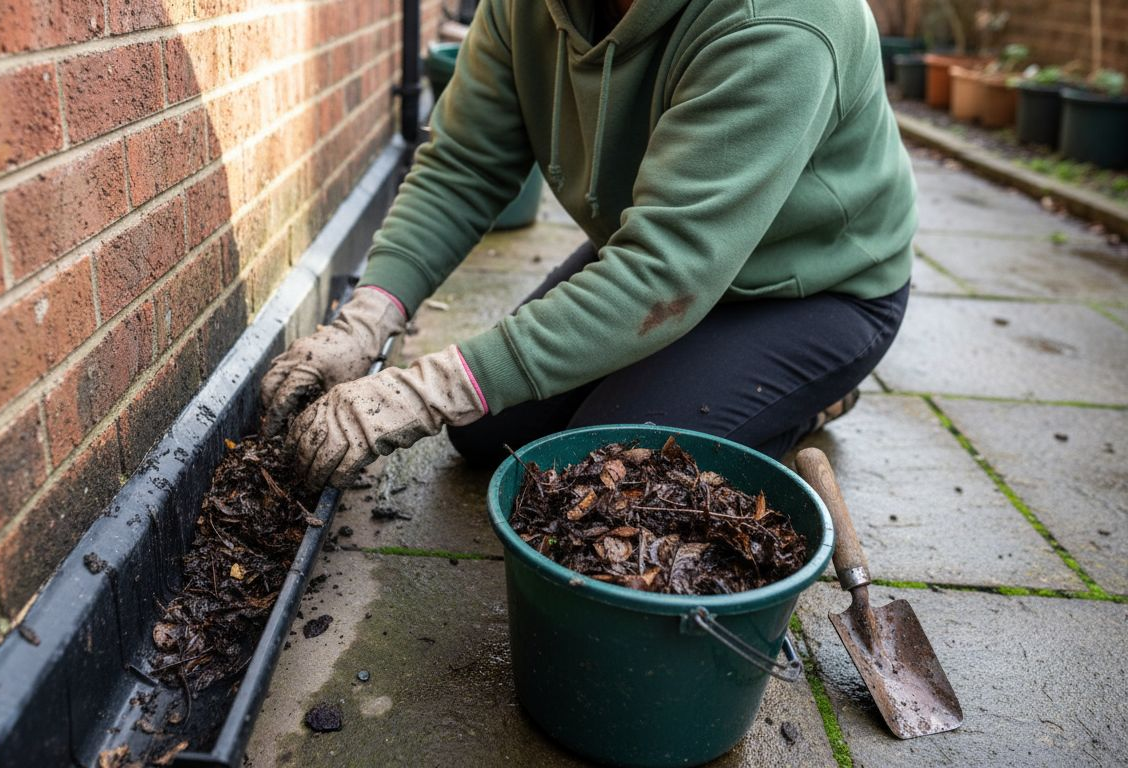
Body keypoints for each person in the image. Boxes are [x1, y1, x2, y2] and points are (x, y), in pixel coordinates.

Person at [261, 0, 915, 489]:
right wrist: (366, 320)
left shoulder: (781, 23)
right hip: (659, 258)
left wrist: (421, 390)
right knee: (484, 432)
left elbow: (664, 274)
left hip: (813, 290)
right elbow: (464, 165)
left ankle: (800, 399)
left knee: (596, 480)